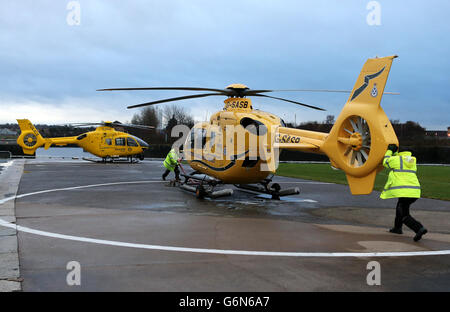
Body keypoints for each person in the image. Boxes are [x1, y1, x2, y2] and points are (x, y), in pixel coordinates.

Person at [380, 144, 427, 242]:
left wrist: (389, 151)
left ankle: (419, 228)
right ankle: (397, 228)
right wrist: (395, 153)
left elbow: (385, 162)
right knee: (400, 207)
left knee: (404, 214)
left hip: (405, 191)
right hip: (414, 191)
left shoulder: (397, 160)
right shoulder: (412, 160)